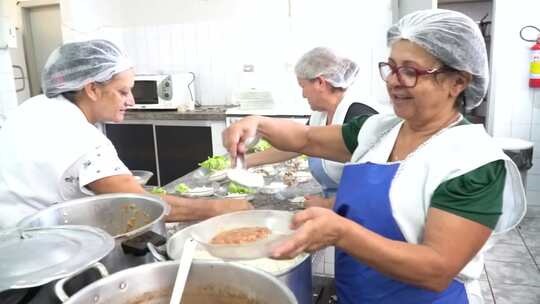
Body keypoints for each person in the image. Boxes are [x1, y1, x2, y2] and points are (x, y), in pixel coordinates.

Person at [223, 9, 527, 304]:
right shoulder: (379, 130)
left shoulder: (473, 162)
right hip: (356, 293)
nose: (393, 81)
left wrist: (341, 233)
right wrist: (257, 123)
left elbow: (436, 269)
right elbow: (305, 138)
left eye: (410, 71)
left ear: (457, 82)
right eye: (391, 67)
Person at [0, 39, 252, 229]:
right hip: (36, 250)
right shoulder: (81, 138)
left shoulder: (34, 106)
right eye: (122, 92)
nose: (131, 101)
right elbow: (140, 205)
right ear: (92, 89)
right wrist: (221, 206)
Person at [246, 47, 379, 208]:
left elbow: (374, 184)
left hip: (358, 211)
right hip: (335, 208)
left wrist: (329, 204)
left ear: (320, 82)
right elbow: (297, 145)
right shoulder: (321, 114)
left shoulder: (359, 114)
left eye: (302, 86)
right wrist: (245, 161)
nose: (303, 95)